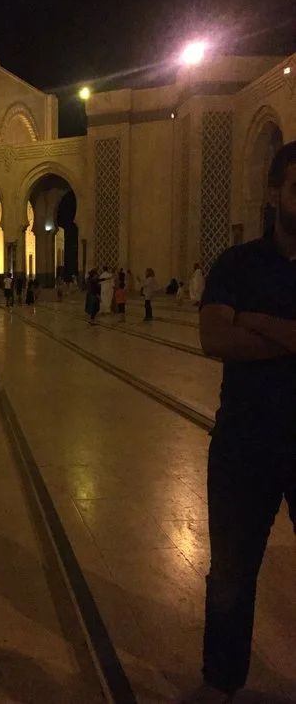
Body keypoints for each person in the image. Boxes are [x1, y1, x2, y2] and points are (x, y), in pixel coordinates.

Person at [181, 141, 296, 704]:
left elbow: (233, 331)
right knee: (229, 574)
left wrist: (253, 320)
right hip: (243, 444)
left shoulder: (239, 280)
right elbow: (213, 338)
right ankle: (221, 682)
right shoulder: (237, 263)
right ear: (274, 194)